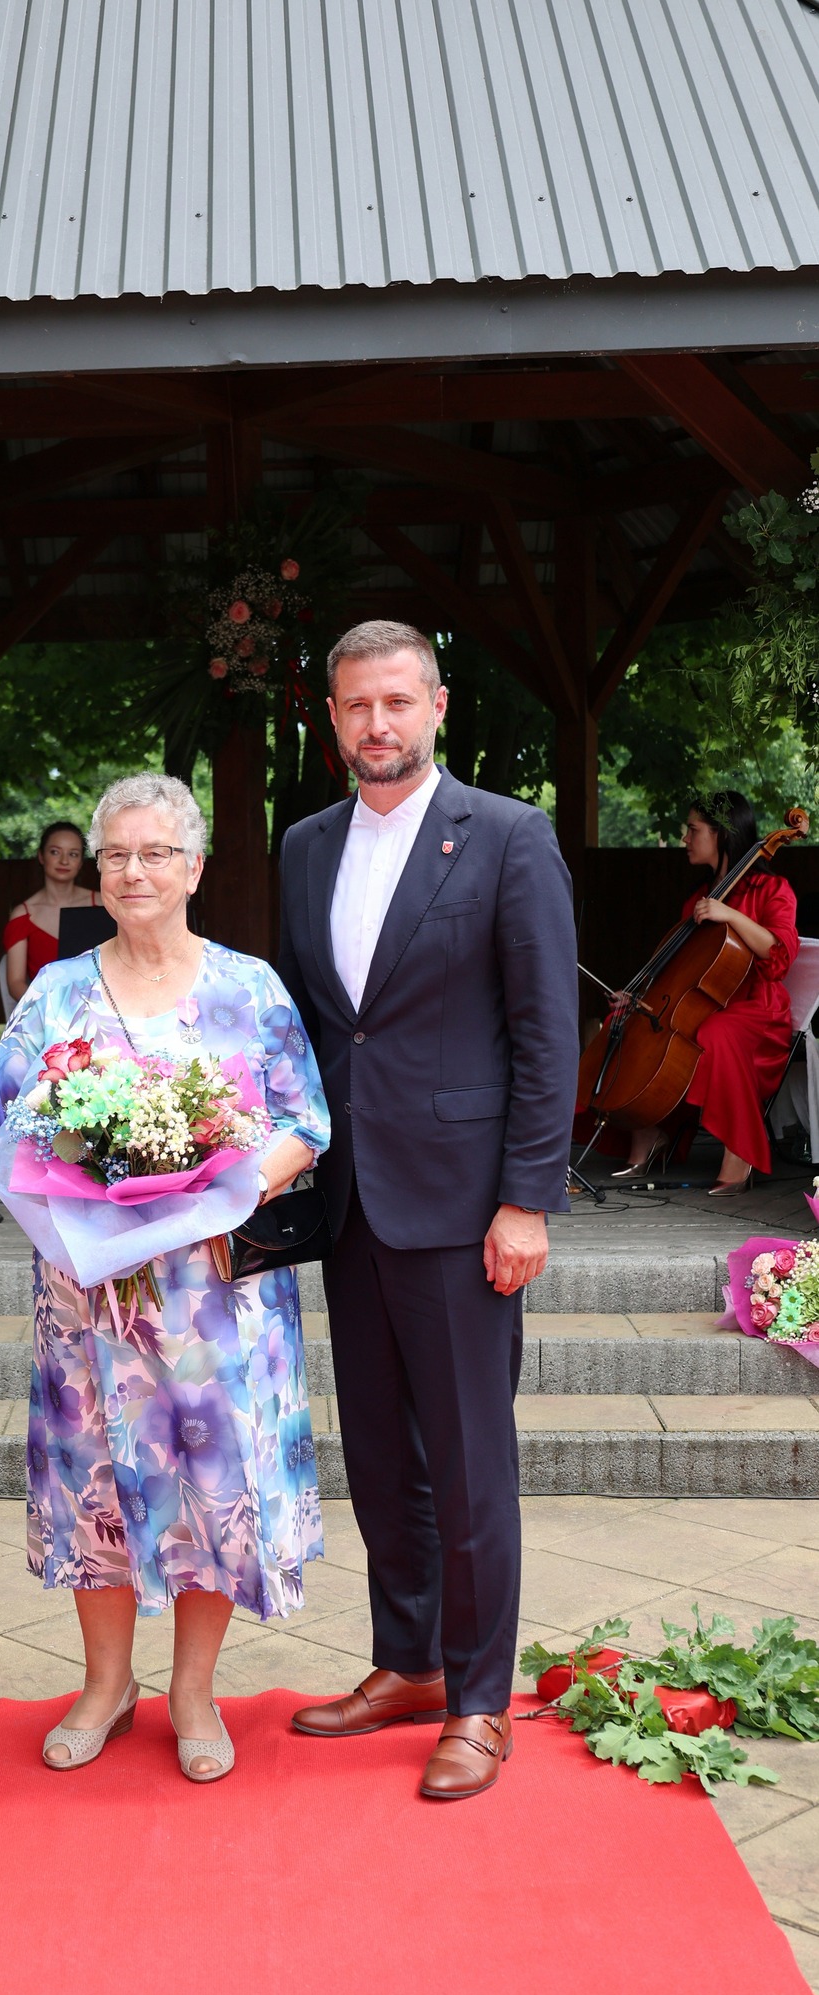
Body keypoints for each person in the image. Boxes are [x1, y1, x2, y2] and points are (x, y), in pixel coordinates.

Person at [278, 621, 578, 1802]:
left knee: (468, 1461)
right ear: (332, 716)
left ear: (437, 705)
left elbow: (546, 1032)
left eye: (397, 701)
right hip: (349, 1199)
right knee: (377, 1454)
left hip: (463, 1207)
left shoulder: (507, 834)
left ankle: (479, 1698)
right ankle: (408, 1661)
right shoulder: (305, 844)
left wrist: (527, 1199)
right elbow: (312, 1025)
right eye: (357, 704)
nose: (377, 724)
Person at [0, 772, 329, 1783]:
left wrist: (220, 1195)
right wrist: (91, 1203)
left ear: (194, 868)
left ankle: (191, 1690)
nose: (134, 871)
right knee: (91, 1478)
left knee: (210, 1481)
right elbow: (7, 1130)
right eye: (117, 855)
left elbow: (305, 1120)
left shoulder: (249, 987)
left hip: (215, 1292)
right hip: (88, 1293)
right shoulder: (55, 992)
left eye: (156, 853)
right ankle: (105, 1684)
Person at [617, 792, 798, 1194]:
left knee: (715, 1032)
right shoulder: (696, 901)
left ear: (722, 834)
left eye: (693, 829)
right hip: (704, 1004)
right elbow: (679, 973)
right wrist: (640, 996)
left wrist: (730, 914)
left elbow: (779, 956)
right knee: (630, 1023)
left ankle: (740, 1152)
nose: (685, 838)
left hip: (757, 1011)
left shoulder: (772, 889)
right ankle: (649, 1131)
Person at [3, 820, 100, 1002]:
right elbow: (15, 984)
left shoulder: (102, 903)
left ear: (80, 862)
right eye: (55, 852)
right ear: (41, 856)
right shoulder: (23, 915)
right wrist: (52, 1010)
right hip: (46, 1010)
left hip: (102, 1009)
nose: (64, 861)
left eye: (73, 854)